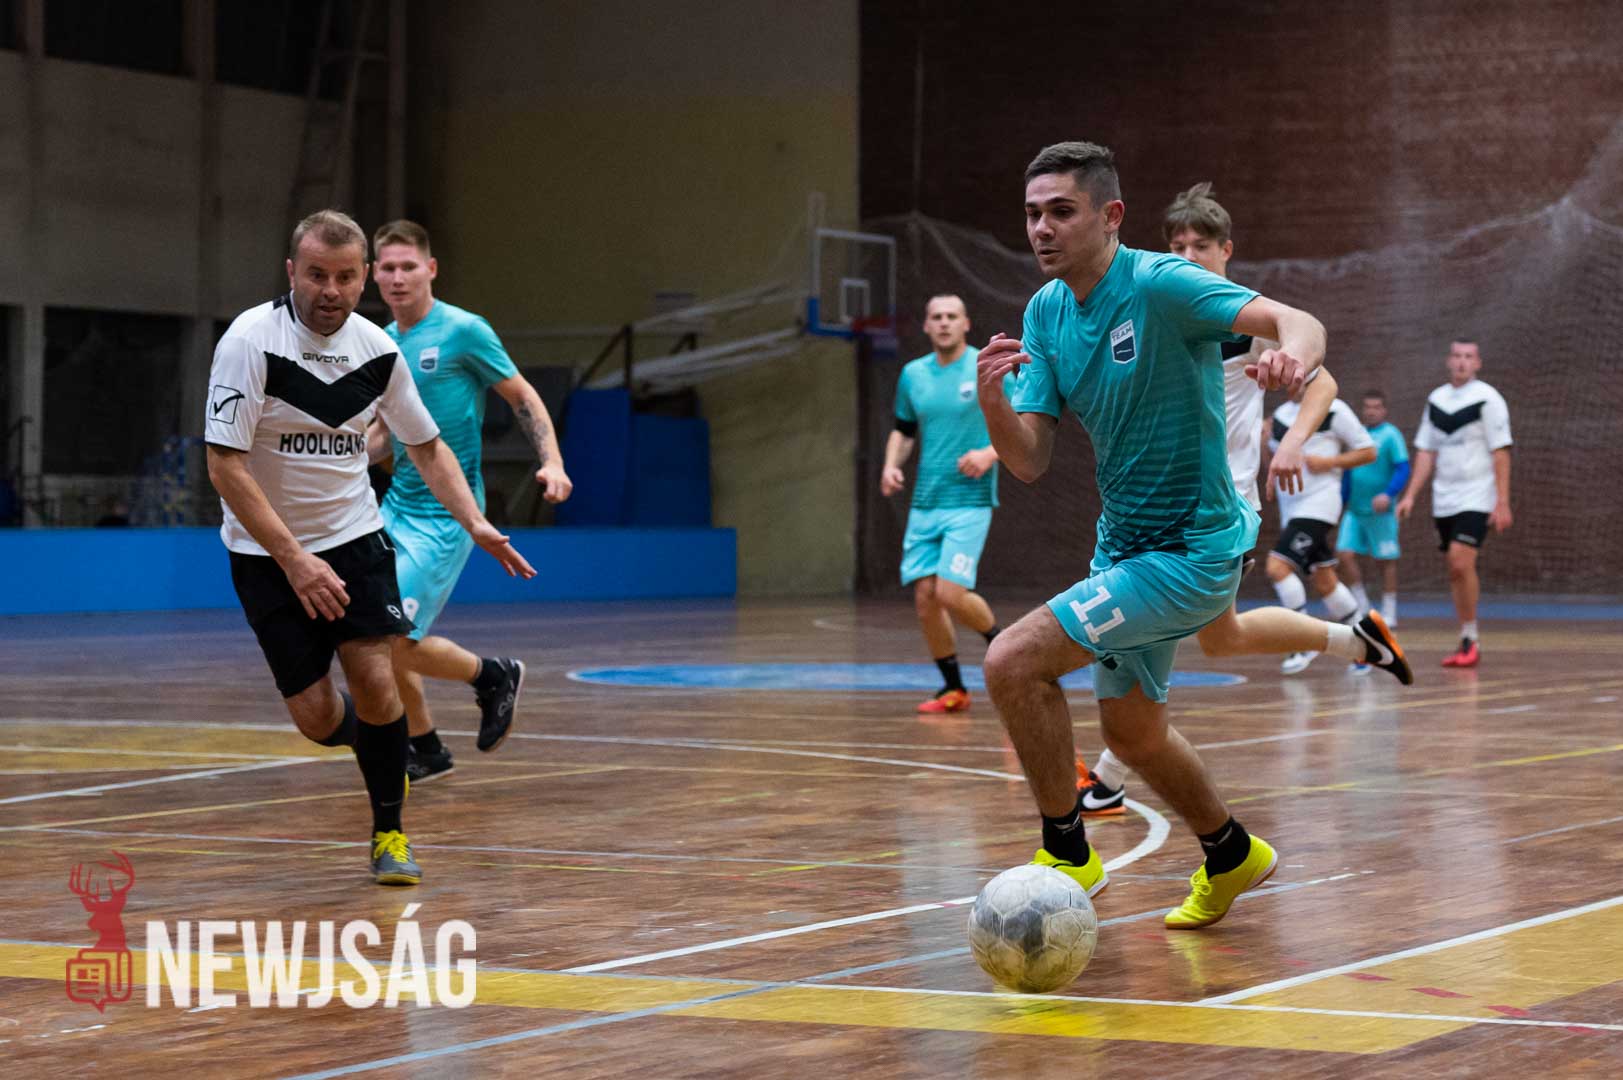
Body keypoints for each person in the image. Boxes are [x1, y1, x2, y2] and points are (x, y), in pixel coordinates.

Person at [978, 140, 1316, 929]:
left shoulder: (1161, 283)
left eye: (1061, 211)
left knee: (1011, 661)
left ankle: (1066, 853)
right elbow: (1028, 460)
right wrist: (993, 404)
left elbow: (1294, 320)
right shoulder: (1045, 311)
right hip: (1124, 548)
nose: (1042, 229)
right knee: (1132, 735)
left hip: (1192, 552)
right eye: (1032, 214)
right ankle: (1231, 854)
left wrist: (1293, 356)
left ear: (1110, 216)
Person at [205, 210, 535, 886]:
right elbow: (225, 465)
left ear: (363, 281)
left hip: (355, 541)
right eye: (316, 275)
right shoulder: (249, 340)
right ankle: (379, 744)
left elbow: (426, 446)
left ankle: (390, 832)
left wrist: (474, 522)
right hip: (267, 557)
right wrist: (295, 560)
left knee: (378, 678)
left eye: (345, 277)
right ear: (291, 272)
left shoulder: (378, 350)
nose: (330, 290)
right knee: (317, 719)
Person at [1080, 183, 1410, 816]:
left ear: (1226, 251)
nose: (1188, 256)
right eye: (1177, 246)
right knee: (1221, 637)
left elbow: (1323, 383)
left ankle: (1108, 776)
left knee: (1146, 618)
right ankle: (1361, 640)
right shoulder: (1158, 309)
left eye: (1201, 246)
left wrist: (1293, 443)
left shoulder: (1243, 321)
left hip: (1220, 504)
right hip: (1164, 498)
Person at [368, 220, 573, 782]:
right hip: (395, 506)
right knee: (375, 631)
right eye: (388, 268)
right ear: (374, 275)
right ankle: (427, 748)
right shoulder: (381, 341)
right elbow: (387, 432)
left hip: (447, 514)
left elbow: (522, 395)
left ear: (431, 269)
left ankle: (492, 675)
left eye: (409, 266)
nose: (398, 277)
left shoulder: (463, 331)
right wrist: (340, 460)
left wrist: (552, 461)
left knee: (392, 638)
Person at [881, 295, 1008, 713]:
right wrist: (890, 466)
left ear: (966, 323)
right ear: (926, 326)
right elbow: (903, 430)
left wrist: (989, 453)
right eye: (936, 317)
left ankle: (1006, 648)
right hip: (925, 503)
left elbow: (1026, 418)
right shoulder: (913, 374)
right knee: (925, 599)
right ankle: (954, 688)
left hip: (969, 500)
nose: (944, 323)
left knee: (950, 593)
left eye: (952, 316)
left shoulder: (984, 366)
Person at [1397, 340, 1512, 667]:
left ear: (1478, 363)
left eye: (1469, 357)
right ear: (1449, 361)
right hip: (1444, 498)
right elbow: (1426, 452)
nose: (1462, 362)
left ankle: (1471, 638)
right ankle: (1466, 635)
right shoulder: (1437, 400)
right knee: (1454, 569)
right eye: (1457, 356)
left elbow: (1501, 452)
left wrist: (1502, 501)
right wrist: (1410, 495)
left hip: (1477, 495)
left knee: (1461, 561)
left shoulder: (1488, 398)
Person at [1264, 387, 1377, 674]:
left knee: (1277, 568)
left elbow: (1368, 451)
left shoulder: (1333, 409)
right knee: (1325, 580)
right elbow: (1274, 463)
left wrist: (1330, 462)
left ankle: (1302, 642)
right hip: (1291, 509)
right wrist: (1264, 441)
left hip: (1320, 505)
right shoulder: (1280, 416)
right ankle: (1366, 644)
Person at [1336, 390, 1409, 637]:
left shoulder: (1391, 435)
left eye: (1376, 407)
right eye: (1367, 407)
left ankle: (1389, 612)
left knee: (1386, 561)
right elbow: (1348, 472)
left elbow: (1403, 468)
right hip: (1354, 511)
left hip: (1381, 512)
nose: (1371, 411)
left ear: (1384, 410)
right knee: (1344, 555)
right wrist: (1341, 501)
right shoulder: (1356, 435)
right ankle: (1362, 609)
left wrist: (1388, 494)